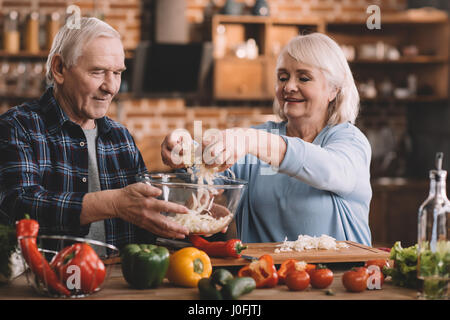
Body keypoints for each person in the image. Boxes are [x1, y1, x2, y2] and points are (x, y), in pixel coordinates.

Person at [162, 33, 372, 246]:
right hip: (265, 275)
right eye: (283, 77)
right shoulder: (256, 142)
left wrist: (252, 140)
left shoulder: (350, 141)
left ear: (333, 89)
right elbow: (208, 168)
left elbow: (331, 170)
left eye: (304, 78)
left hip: (339, 276)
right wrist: (184, 151)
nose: (289, 86)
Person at [0, 17, 189, 250]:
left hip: (120, 282)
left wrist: (190, 209)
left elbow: (145, 212)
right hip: (44, 282)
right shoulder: (18, 126)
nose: (111, 87)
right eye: (98, 72)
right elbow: (20, 205)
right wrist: (113, 203)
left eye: (117, 73)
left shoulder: (121, 137)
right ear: (59, 69)